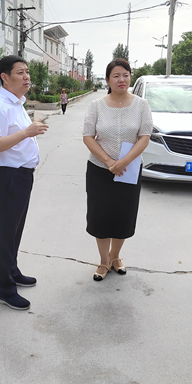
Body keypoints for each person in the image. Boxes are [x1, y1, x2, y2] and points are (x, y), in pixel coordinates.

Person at [0, 55, 49, 310]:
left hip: (22, 176)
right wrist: (27, 132)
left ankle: (12, 271)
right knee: (5, 233)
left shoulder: (17, 103)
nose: (26, 77)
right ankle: (4, 289)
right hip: (8, 177)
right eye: (20, 72)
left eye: (27, 72)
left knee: (15, 230)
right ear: (5, 77)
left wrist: (29, 131)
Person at [83, 58, 152, 281]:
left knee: (123, 215)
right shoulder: (96, 105)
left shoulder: (142, 105)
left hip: (129, 170)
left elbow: (144, 137)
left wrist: (123, 162)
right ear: (107, 80)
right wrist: (109, 162)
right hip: (99, 169)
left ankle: (115, 256)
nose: (121, 79)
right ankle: (103, 261)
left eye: (125, 75)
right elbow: (88, 136)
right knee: (101, 216)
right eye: (116, 76)